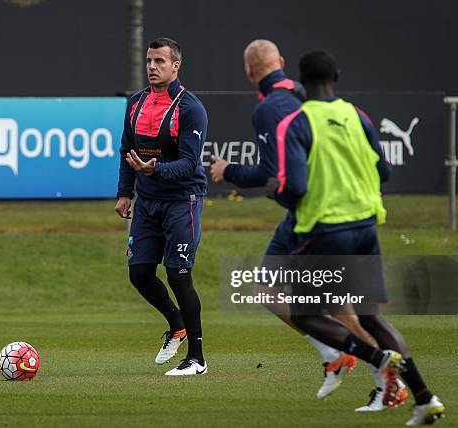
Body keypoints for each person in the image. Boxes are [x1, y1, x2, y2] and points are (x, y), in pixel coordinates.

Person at [210, 39, 390, 402]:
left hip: (310, 216)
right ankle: (345, 359)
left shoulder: (269, 109)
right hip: (343, 213)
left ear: (249, 71)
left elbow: (272, 173)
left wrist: (228, 170)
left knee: (322, 304)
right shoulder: (303, 94)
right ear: (281, 63)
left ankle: (382, 371)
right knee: (313, 299)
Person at [274, 50, 445, 425]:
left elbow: (295, 187)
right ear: (336, 75)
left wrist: (277, 192)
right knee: (371, 316)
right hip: (366, 229)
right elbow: (383, 170)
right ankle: (424, 397)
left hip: (326, 232)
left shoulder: (297, 122)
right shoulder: (358, 116)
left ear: (302, 82)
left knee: (305, 315)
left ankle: (377, 360)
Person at [115, 37, 208, 376]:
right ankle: (177, 325)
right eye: (149, 61)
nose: (152, 67)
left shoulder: (190, 107)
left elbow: (188, 163)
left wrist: (154, 169)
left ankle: (197, 357)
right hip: (148, 203)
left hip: (183, 200)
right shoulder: (136, 102)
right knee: (139, 273)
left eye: (160, 62)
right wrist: (125, 192)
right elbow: (127, 150)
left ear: (176, 66)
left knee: (178, 274)